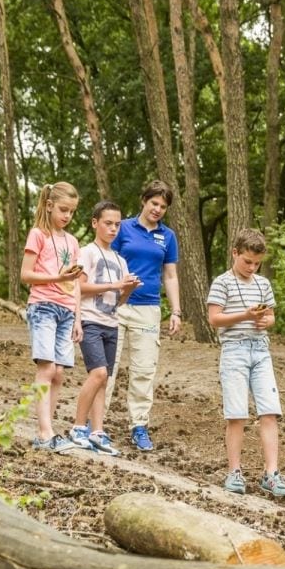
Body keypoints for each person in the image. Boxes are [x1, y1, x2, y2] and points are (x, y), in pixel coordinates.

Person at [206, 228, 285, 498]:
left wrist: (266, 320)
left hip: (260, 350)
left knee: (269, 411)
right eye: (247, 262)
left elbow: (271, 317)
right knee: (237, 413)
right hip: (234, 350)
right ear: (235, 253)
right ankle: (234, 471)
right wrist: (244, 315)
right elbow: (214, 318)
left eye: (257, 263)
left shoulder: (262, 284)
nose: (252, 267)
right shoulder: (223, 282)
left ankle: (271, 472)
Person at [107, 180, 182, 451]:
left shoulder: (168, 236)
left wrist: (175, 311)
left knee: (143, 370)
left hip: (149, 309)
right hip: (116, 305)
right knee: (107, 368)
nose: (158, 209)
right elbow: (108, 261)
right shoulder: (123, 228)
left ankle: (139, 425)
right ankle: (96, 425)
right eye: (154, 203)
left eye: (163, 206)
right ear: (144, 200)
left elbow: (170, 275)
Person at [69, 201, 141, 455]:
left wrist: (128, 288)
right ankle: (78, 426)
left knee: (104, 379)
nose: (113, 229)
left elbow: (119, 301)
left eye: (117, 224)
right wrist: (114, 285)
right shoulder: (87, 252)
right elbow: (81, 287)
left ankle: (97, 430)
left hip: (112, 323)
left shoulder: (120, 260)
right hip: (90, 320)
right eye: (108, 223)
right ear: (95, 223)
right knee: (98, 373)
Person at [20, 181, 84, 452]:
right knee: (46, 369)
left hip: (66, 311)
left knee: (58, 374)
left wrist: (78, 317)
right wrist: (56, 277)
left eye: (71, 212)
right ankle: (46, 434)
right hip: (43, 306)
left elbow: (76, 283)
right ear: (49, 205)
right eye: (62, 209)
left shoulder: (72, 241)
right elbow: (26, 275)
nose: (67, 216)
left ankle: (47, 431)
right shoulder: (38, 234)